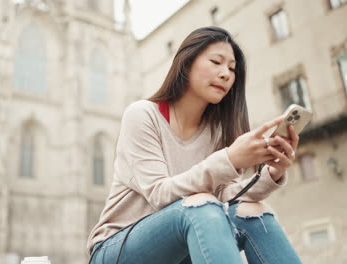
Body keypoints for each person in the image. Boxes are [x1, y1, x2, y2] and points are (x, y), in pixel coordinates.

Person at [87, 26, 302, 264]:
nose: (226, 74)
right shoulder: (142, 115)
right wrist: (230, 159)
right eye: (216, 62)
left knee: (252, 212)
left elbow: (227, 197)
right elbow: (160, 194)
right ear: (187, 63)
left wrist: (273, 172)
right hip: (118, 248)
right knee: (202, 206)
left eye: (232, 69)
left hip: (186, 242)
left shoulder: (217, 131)